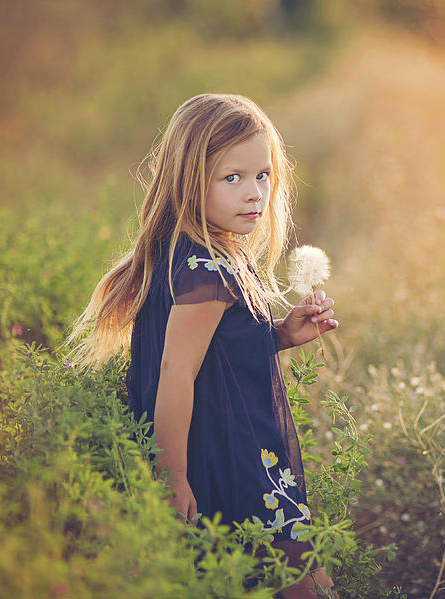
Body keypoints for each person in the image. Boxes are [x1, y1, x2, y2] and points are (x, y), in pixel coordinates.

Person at [64, 93, 339, 598]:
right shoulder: (206, 271)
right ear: (190, 182)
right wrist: (173, 479)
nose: (253, 192)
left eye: (263, 175)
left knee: (289, 580)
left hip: (235, 451)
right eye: (231, 178)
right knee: (295, 584)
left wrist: (280, 334)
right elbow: (176, 374)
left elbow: (219, 356)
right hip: (229, 461)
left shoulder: (213, 256)